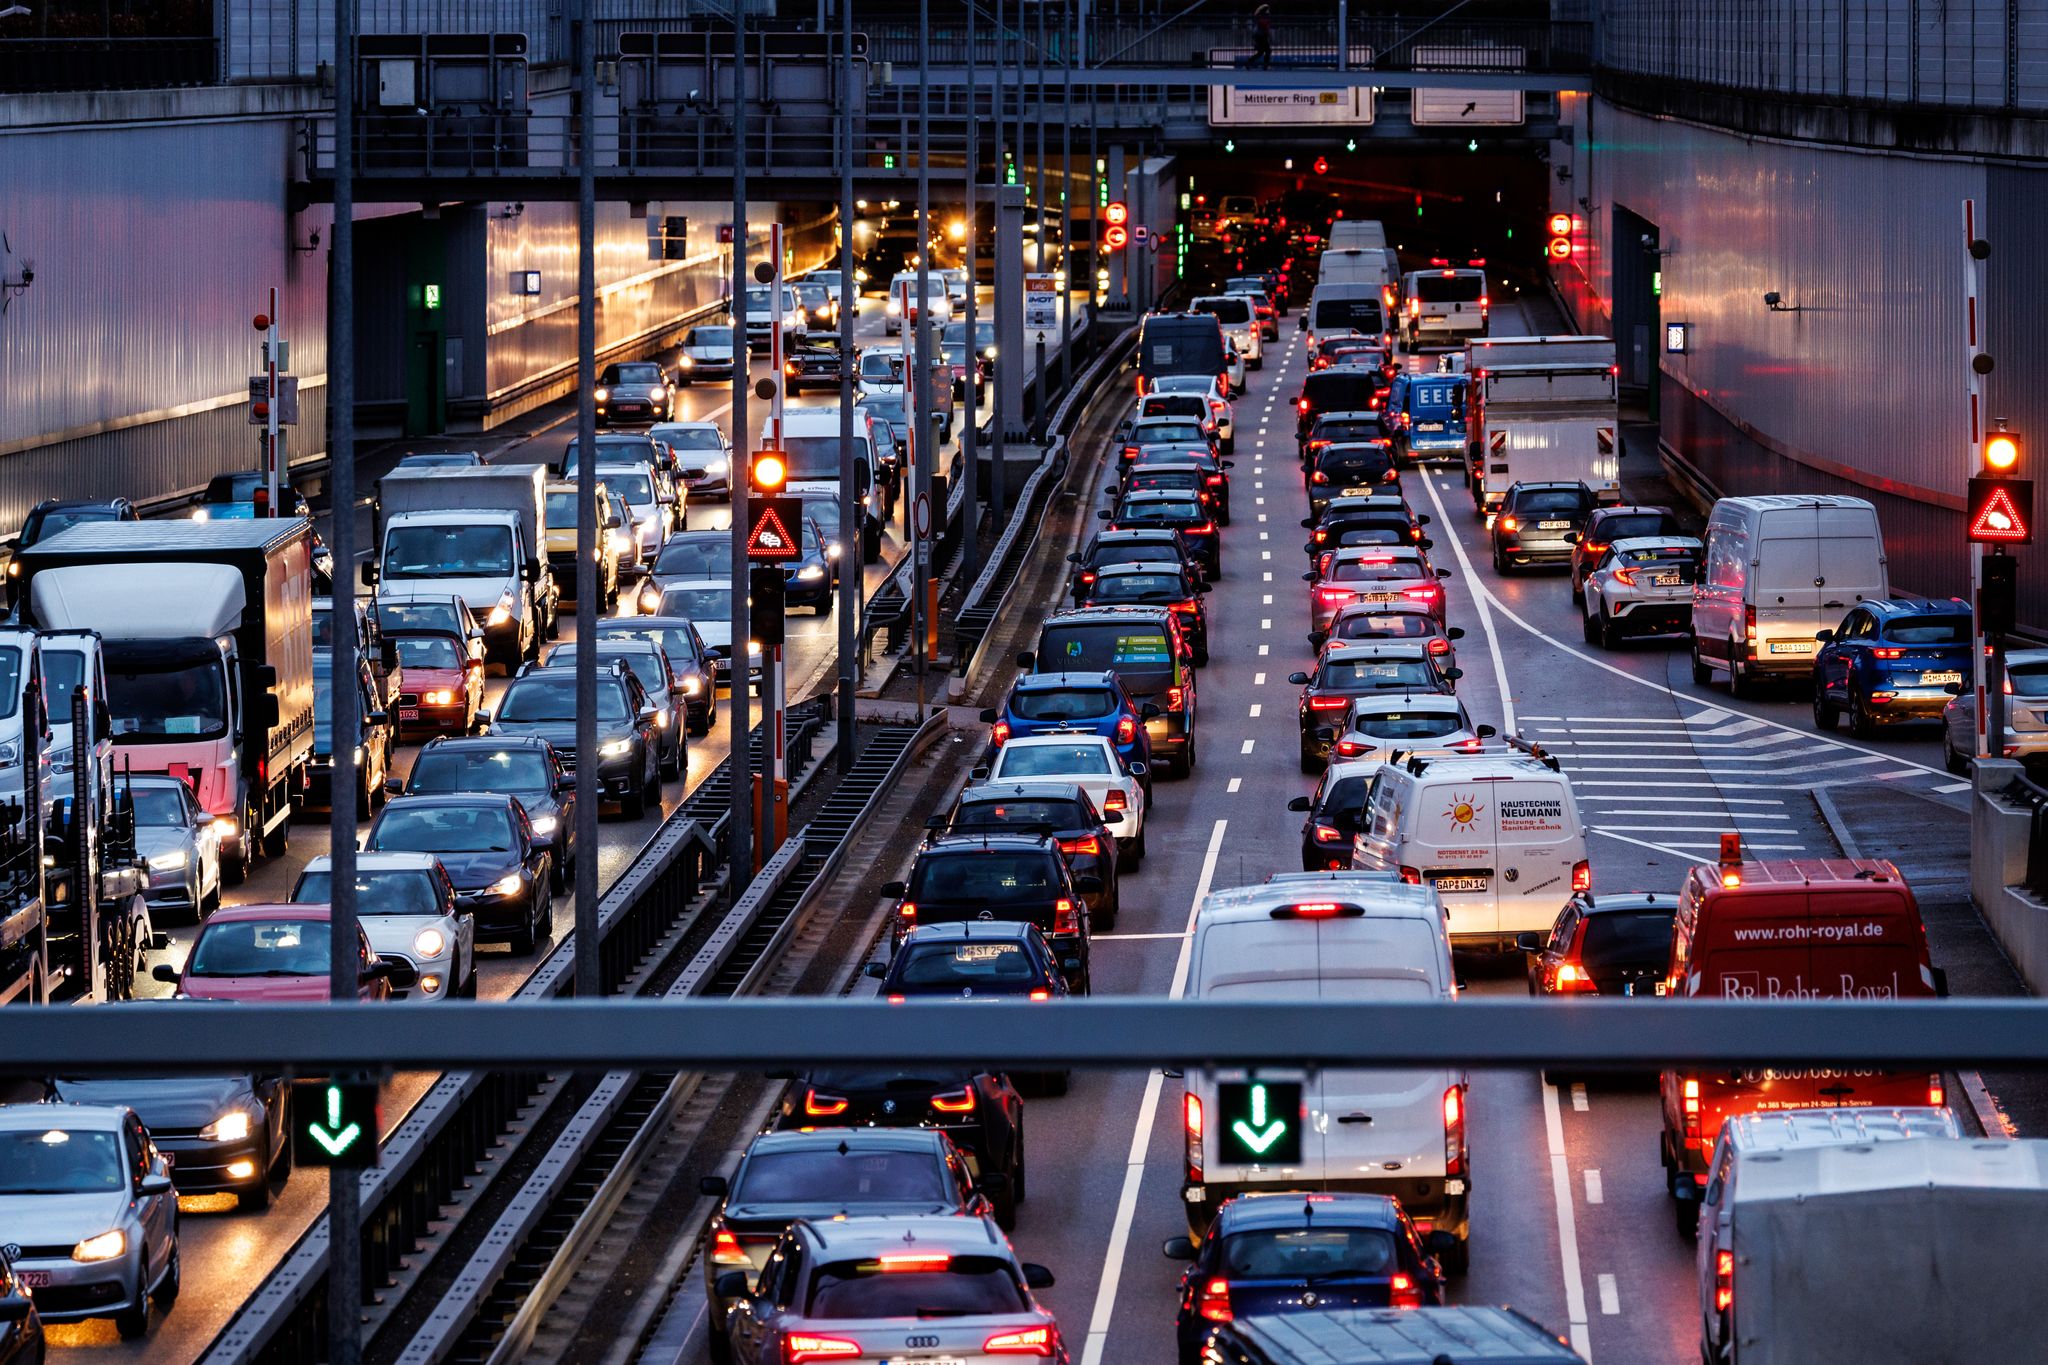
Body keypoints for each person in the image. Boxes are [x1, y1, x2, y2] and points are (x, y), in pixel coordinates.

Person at [1252, 4, 1273, 69]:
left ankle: (1248, 63)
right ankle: (1265, 65)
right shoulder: (1263, 16)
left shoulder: (1260, 15)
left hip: (1260, 35)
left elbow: (1265, 25)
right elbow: (1265, 25)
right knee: (1267, 51)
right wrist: (1268, 34)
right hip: (1261, 35)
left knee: (1261, 52)